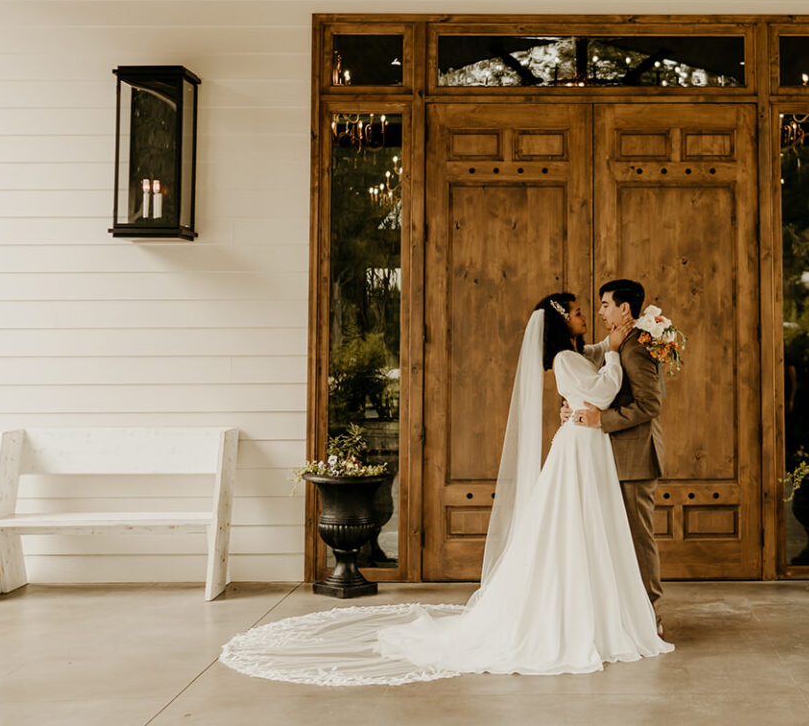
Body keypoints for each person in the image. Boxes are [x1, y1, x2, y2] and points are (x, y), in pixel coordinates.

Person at [220, 292, 671, 686]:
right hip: (580, 447)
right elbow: (605, 388)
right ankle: (587, 613)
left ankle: (592, 609)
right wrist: (613, 354)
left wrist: (606, 351)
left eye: (594, 308)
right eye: (577, 311)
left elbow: (589, 361)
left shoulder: (574, 354)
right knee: (577, 526)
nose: (586, 315)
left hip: (582, 445)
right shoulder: (568, 358)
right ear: (560, 321)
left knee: (581, 527)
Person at [565, 278, 665, 634]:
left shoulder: (637, 347)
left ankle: (651, 615)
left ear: (625, 309)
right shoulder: (623, 342)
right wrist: (576, 408)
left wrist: (600, 420)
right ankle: (626, 615)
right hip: (615, 458)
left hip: (636, 458)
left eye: (606, 305)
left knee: (638, 539)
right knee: (618, 540)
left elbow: (650, 404)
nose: (600, 312)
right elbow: (591, 362)